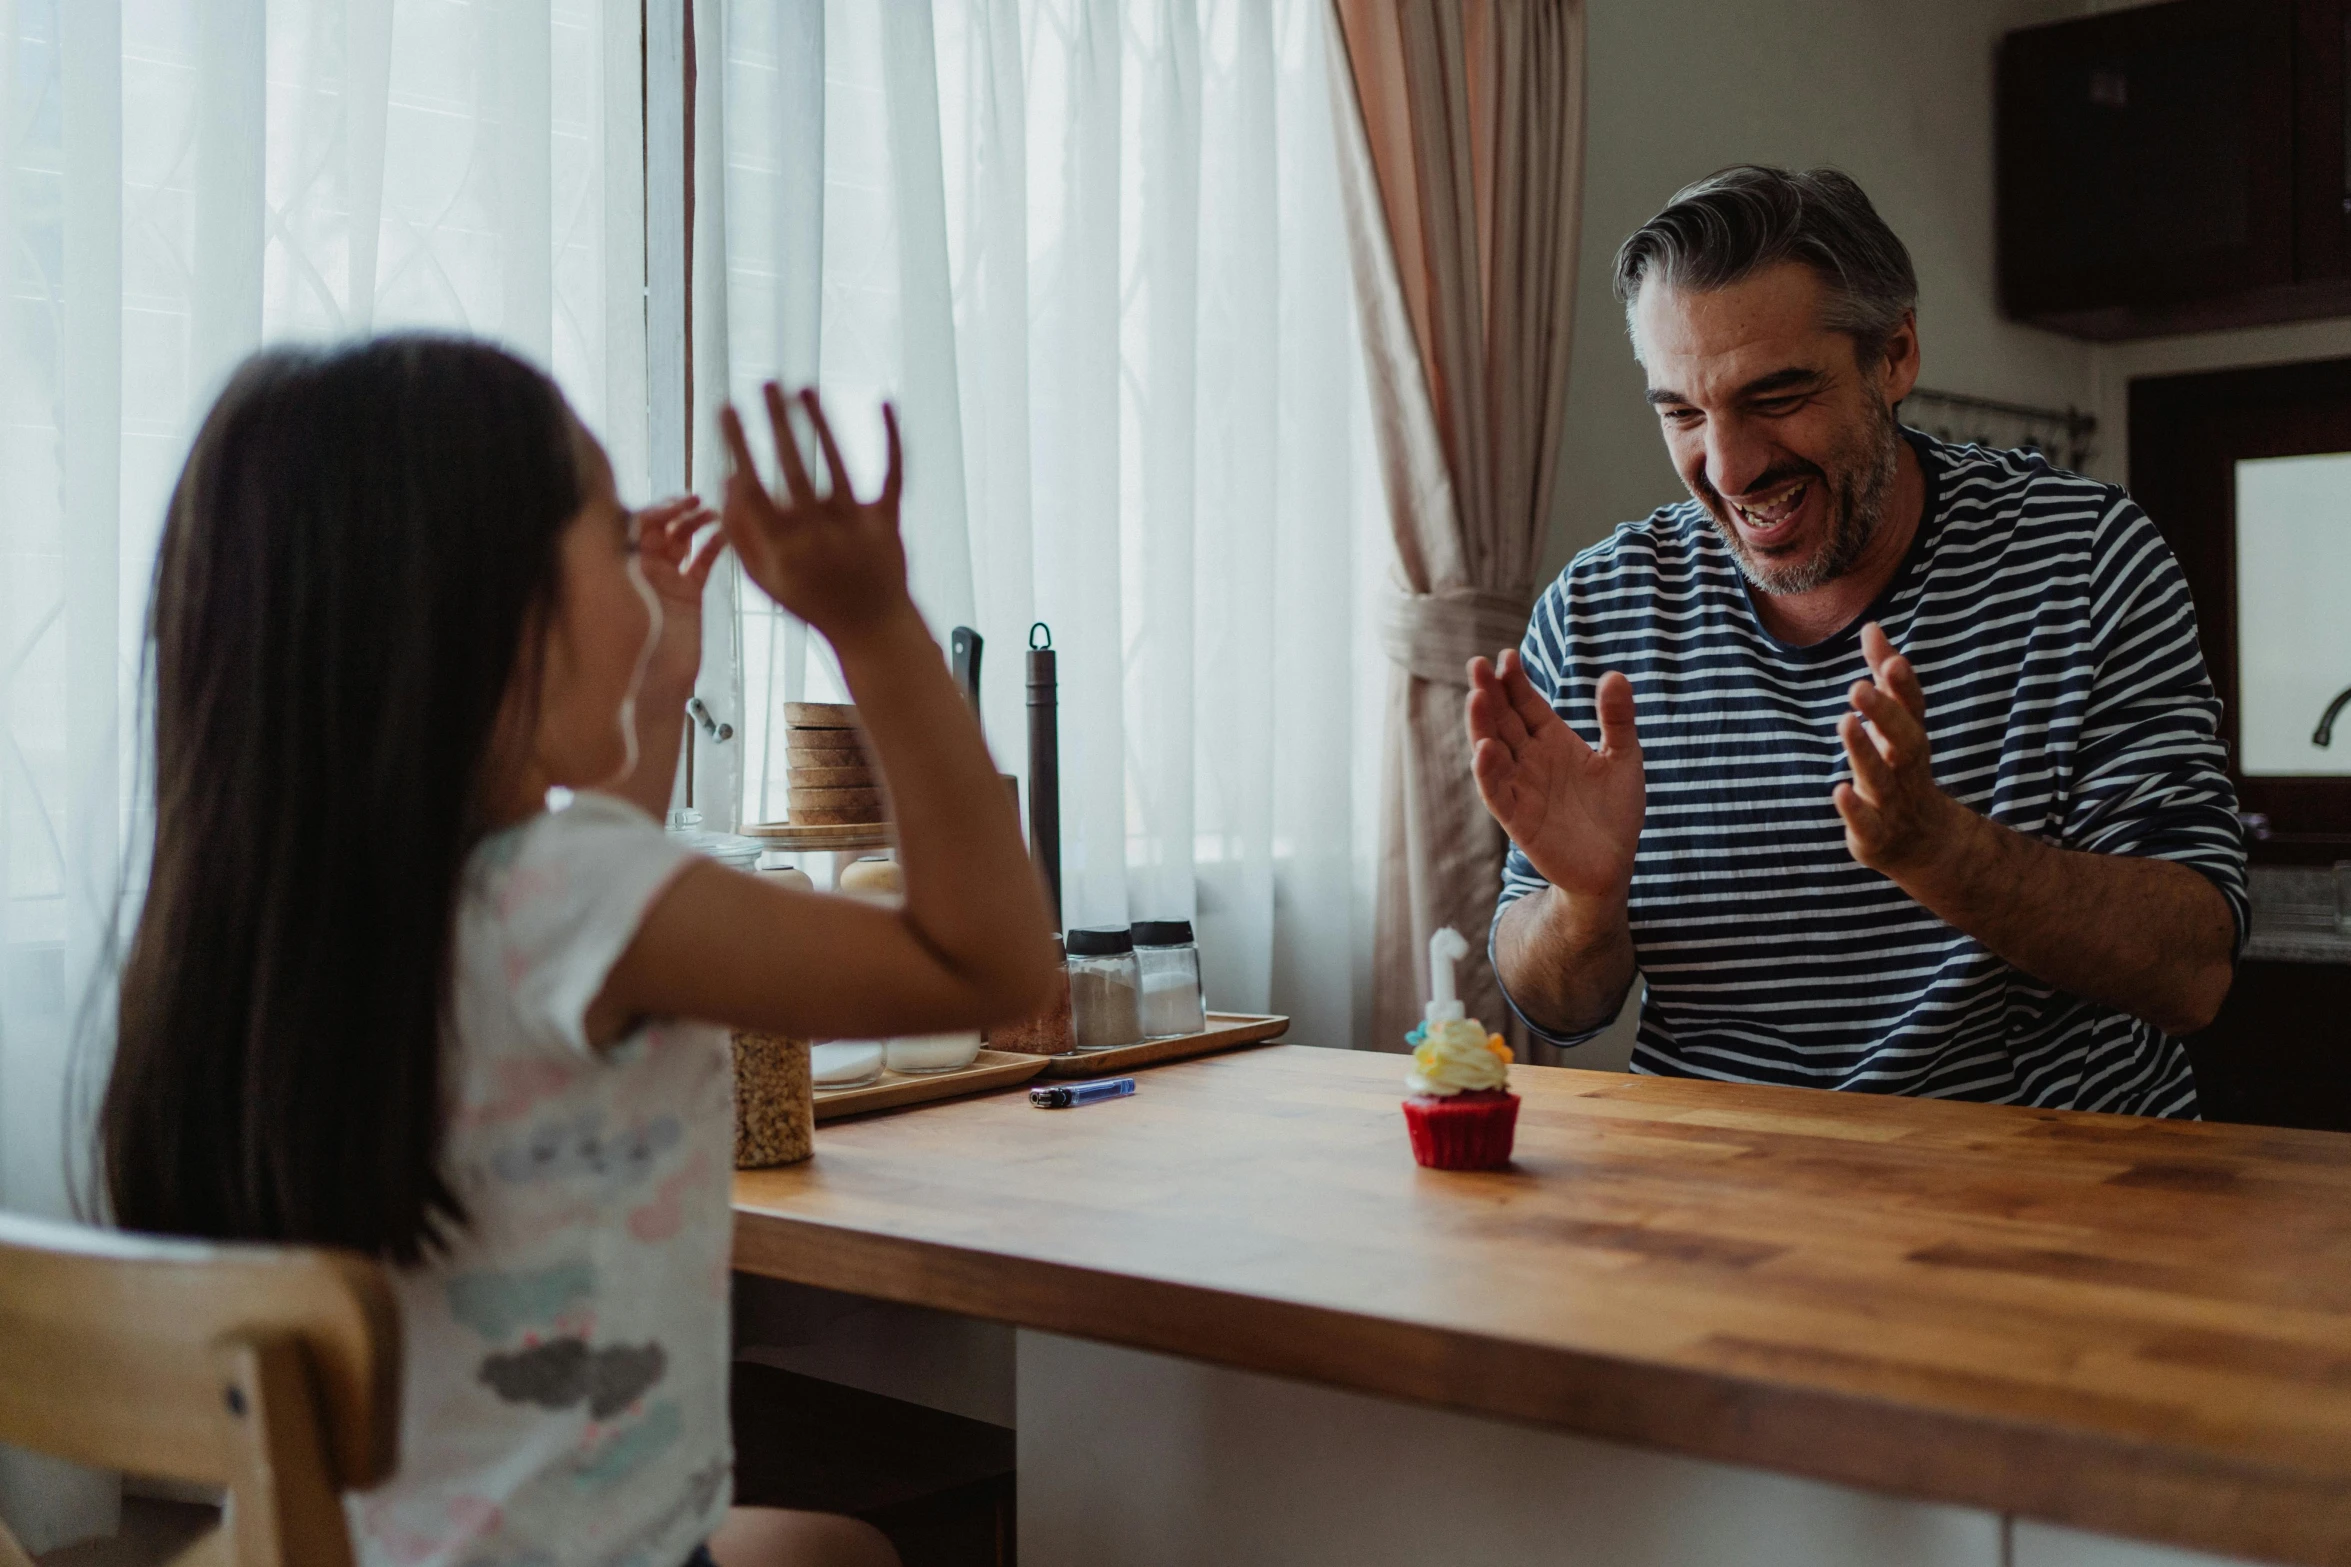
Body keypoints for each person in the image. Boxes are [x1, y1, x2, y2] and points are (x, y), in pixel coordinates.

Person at [98, 336, 1057, 1567]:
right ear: (499, 610)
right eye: (610, 538)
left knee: (824, 1551)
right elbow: (992, 962)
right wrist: (872, 623)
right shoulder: (575, 904)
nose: (641, 560)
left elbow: (590, 926)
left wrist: (653, 693)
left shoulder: (276, 932)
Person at [1469, 166, 2243, 1117]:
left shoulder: (2084, 559)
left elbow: (2192, 973)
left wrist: (1941, 850)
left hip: (2045, 1207)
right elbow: (1556, 1003)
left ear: (1896, 355)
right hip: (1730, 1211)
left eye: (1776, 395)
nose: (1729, 464)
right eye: (1680, 411)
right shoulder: (1596, 608)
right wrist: (1586, 901)